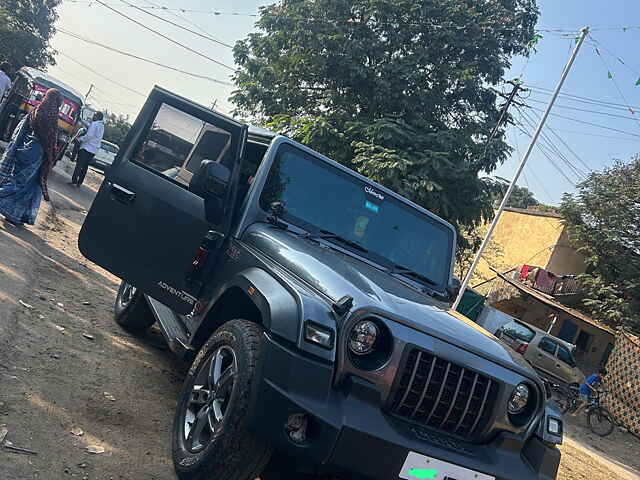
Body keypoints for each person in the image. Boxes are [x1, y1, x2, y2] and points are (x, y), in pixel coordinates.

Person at [0, 89, 63, 226]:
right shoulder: (51, 116)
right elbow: (50, 141)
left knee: (21, 183)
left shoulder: (36, 110)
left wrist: (14, 149)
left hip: (24, 150)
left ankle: (14, 215)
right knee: (22, 185)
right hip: (36, 155)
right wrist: (51, 156)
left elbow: (21, 131)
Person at [70, 111, 104, 186]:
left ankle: (74, 180)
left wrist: (80, 139)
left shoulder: (95, 124)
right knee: (85, 166)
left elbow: (89, 136)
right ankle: (79, 182)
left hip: (87, 147)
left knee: (79, 165)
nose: (93, 117)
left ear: (97, 117)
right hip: (93, 150)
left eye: (94, 115)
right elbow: (89, 125)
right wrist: (81, 120)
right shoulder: (101, 126)